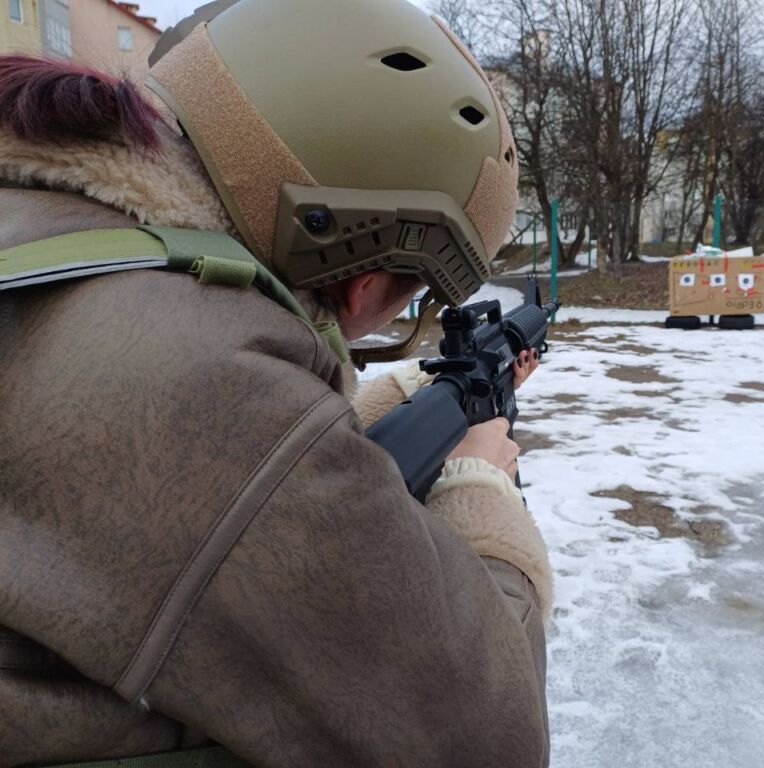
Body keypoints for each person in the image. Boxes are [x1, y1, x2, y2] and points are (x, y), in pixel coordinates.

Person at [0, 0, 551, 765]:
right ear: (365, 279)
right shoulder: (210, 395)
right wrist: (482, 490)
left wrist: (361, 417)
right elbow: (489, 739)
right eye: (411, 297)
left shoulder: (49, 227)